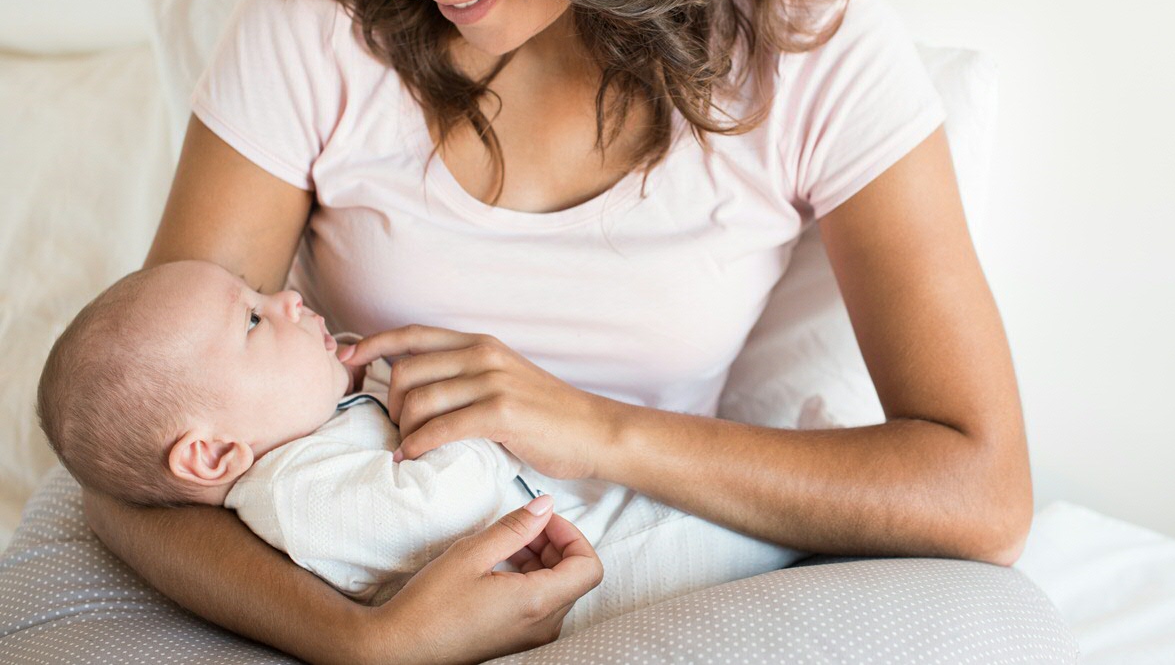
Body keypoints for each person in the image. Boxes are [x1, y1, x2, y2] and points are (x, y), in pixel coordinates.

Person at [80, 0, 1034, 662]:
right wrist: (366, 642)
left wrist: (591, 427)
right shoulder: (313, 29)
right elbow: (135, 457)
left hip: (654, 568)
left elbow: (982, 494)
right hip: (364, 586)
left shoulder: (808, 56)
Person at [38, 260, 803, 632]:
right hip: (610, 567)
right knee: (741, 532)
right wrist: (416, 409)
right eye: (252, 322)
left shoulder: (313, 435)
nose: (288, 298)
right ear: (210, 456)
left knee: (756, 500)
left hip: (583, 516)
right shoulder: (296, 495)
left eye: (258, 292)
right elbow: (446, 502)